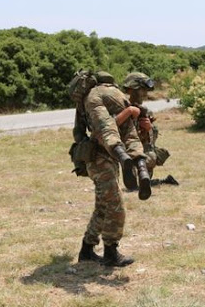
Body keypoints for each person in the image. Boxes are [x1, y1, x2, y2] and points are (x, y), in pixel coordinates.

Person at [72, 71, 150, 267]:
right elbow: (104, 129)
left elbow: (126, 131)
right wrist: (129, 112)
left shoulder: (93, 98)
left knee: (103, 206)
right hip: (99, 157)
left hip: (103, 158)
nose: (142, 95)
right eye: (140, 91)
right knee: (115, 205)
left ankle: (87, 250)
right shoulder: (104, 97)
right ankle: (110, 252)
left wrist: (144, 126)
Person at [121, 72, 179, 186]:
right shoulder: (122, 109)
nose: (145, 94)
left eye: (146, 90)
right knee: (132, 185)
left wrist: (149, 129)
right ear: (130, 90)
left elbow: (152, 139)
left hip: (140, 153)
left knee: (151, 155)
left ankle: (148, 179)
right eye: (142, 90)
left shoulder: (145, 111)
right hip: (125, 153)